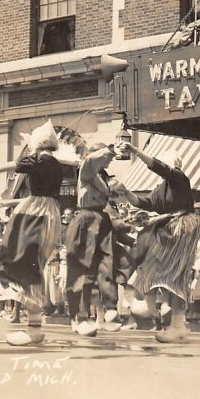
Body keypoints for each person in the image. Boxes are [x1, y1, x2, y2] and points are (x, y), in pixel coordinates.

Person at [0, 120, 79, 346]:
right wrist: (11, 200)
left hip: (33, 215)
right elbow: (45, 194)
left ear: (36, 145)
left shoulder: (36, 159)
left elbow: (2, 167)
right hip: (48, 214)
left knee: (13, 259)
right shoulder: (56, 164)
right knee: (28, 265)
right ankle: (28, 324)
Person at [113, 142, 200, 343]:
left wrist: (136, 151)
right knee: (161, 271)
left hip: (180, 228)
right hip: (168, 229)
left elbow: (160, 167)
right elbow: (145, 203)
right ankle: (159, 311)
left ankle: (176, 323)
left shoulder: (179, 179)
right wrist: (125, 191)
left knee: (174, 275)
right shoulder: (161, 187)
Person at [63, 142, 119, 337]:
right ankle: (79, 317)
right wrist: (110, 150)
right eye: (107, 157)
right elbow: (89, 161)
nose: (111, 160)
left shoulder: (103, 176)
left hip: (100, 218)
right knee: (82, 268)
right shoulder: (87, 170)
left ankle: (111, 306)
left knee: (107, 261)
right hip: (86, 218)